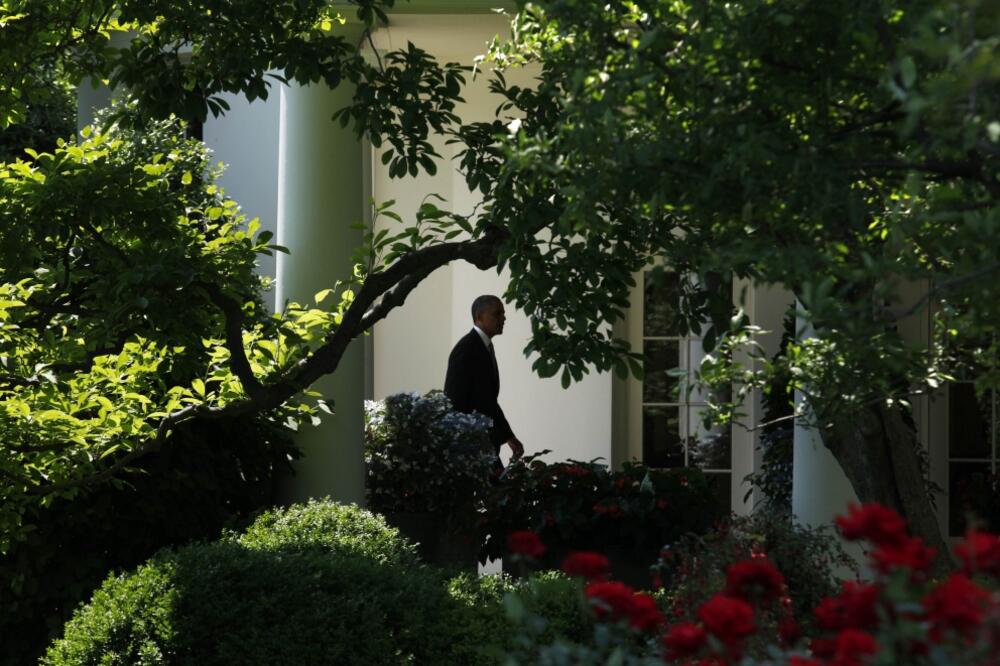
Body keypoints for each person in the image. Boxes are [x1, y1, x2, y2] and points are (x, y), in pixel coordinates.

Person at [445, 295, 525, 468]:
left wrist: (508, 436)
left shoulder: (482, 346)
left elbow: (487, 400)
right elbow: (455, 400)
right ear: (479, 318)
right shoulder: (467, 349)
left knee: (501, 490)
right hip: (472, 445)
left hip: (482, 442)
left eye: (503, 314)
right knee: (500, 491)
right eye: (497, 314)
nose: (503, 318)